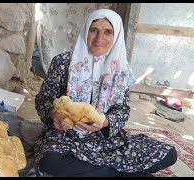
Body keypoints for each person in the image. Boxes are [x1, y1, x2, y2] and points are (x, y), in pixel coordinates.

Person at [33, 9, 177, 177]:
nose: (99, 38)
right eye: (94, 30)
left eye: (108, 32)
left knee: (169, 154)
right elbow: (43, 98)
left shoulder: (121, 70)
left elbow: (122, 110)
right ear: (86, 31)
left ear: (116, 36)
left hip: (106, 139)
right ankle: (129, 174)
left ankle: (101, 172)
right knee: (50, 161)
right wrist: (53, 114)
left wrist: (105, 122)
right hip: (67, 136)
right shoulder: (63, 63)